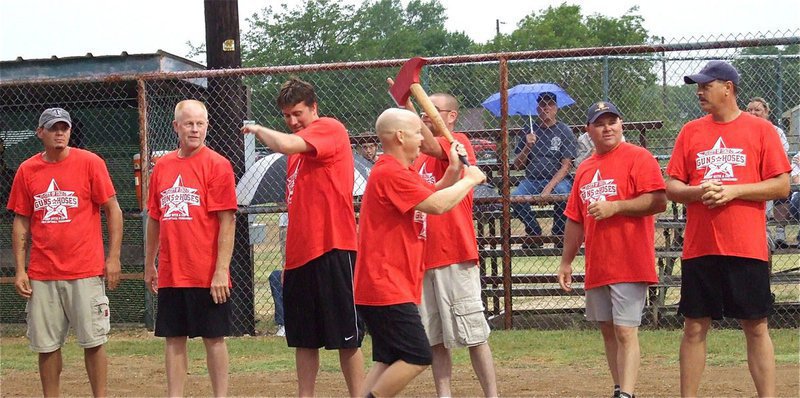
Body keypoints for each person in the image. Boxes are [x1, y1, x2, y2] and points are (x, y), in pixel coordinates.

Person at [666, 61, 790, 398]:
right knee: (694, 326)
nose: (699, 92)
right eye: (698, 86)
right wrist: (698, 191)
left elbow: (781, 185)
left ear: (728, 88)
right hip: (700, 245)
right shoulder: (690, 131)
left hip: (745, 245)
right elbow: (672, 185)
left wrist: (734, 191)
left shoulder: (760, 130)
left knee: (756, 326)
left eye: (706, 86)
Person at [241, 77, 365, 397]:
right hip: (300, 255)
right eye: (286, 116)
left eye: (298, 113)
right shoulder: (296, 156)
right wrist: (288, 261)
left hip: (333, 246)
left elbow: (285, 144)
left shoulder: (329, 128)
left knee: (346, 337)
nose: (293, 121)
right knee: (304, 339)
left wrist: (258, 130)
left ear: (313, 108)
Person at [354, 108, 486, 398]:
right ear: (401, 137)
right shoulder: (390, 172)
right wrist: (470, 180)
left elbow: (431, 193)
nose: (421, 140)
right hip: (385, 284)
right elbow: (438, 205)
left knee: (388, 359)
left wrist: (454, 171)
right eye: (416, 133)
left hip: (388, 283)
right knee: (417, 355)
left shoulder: (401, 171)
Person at [8, 107, 122, 397]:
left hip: (85, 269)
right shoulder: (27, 170)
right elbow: (21, 220)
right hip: (43, 272)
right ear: (40, 133)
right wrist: (20, 269)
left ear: (70, 131)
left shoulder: (90, 163)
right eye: (53, 128)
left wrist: (113, 257)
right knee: (46, 345)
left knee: (93, 340)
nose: (59, 133)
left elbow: (113, 209)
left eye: (64, 127)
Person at [558, 101, 667, 398]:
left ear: (621, 125)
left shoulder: (638, 157)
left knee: (625, 330)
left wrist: (616, 207)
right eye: (600, 123)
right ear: (588, 131)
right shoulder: (585, 169)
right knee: (607, 328)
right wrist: (566, 262)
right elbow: (575, 219)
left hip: (630, 259)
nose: (607, 128)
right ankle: (619, 388)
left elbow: (658, 201)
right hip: (599, 262)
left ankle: (626, 394)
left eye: (612, 121)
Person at [144, 99, 238, 397]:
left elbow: (227, 221)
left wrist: (221, 270)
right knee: (174, 338)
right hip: (173, 271)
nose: (195, 129)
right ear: (176, 127)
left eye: (200, 123)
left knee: (214, 338)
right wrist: (150, 264)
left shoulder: (218, 165)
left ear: (207, 126)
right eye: (188, 124)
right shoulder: (162, 167)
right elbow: (155, 218)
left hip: (205, 271)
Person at [413, 93, 498, 397]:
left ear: (451, 116)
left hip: (454, 252)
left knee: (473, 333)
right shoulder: (416, 155)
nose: (425, 114)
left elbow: (432, 146)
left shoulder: (458, 142)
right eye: (423, 109)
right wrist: (408, 104)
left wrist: (409, 103)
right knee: (434, 338)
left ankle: (492, 395)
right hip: (422, 257)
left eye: (432, 109)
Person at [511, 92, 577, 242]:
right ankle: (534, 232)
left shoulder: (564, 131)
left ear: (556, 108)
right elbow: (517, 165)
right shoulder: (528, 130)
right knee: (515, 197)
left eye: (550, 104)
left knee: (563, 194)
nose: (546, 108)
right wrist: (528, 146)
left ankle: (558, 233)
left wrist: (548, 188)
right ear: (537, 108)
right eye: (542, 104)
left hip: (558, 181)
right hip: (532, 180)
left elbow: (566, 166)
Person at [746, 97, 792, 248]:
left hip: (771, 173)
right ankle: (763, 234)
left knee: (783, 188)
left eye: (757, 110)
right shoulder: (743, 131)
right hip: (750, 176)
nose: (753, 113)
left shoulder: (776, 131)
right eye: (749, 110)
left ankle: (779, 234)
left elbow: (782, 158)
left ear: (766, 112)